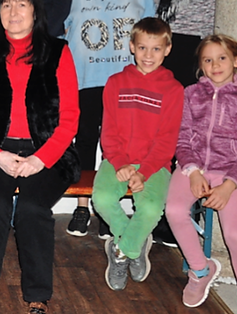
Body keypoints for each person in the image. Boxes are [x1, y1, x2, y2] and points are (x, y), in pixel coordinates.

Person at [0, 0, 80, 314]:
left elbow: (70, 119)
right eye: (6, 5)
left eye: (21, 4)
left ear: (35, 12)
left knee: (31, 208)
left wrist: (39, 160)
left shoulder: (58, 52)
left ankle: (37, 296)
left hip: (47, 151)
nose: (12, 12)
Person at [63, 0, 155, 238]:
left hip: (125, 77)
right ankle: (82, 205)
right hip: (86, 74)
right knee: (86, 139)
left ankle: (109, 206)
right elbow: (61, 25)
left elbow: (150, 27)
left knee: (118, 143)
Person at [166, 35, 237, 314]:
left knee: (234, 233)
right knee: (174, 210)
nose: (215, 65)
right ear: (201, 65)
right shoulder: (190, 94)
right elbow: (182, 139)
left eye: (222, 58)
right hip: (193, 167)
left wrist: (229, 185)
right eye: (208, 60)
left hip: (232, 173)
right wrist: (194, 171)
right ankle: (201, 269)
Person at [92, 17, 183, 291]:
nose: (148, 55)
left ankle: (122, 250)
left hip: (155, 165)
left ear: (167, 49)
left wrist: (144, 172)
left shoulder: (174, 90)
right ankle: (135, 241)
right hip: (117, 160)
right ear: (132, 46)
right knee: (102, 198)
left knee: (152, 208)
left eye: (156, 49)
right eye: (142, 47)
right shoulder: (115, 83)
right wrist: (121, 163)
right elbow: (108, 131)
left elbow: (167, 140)